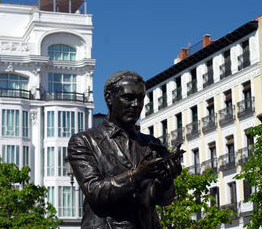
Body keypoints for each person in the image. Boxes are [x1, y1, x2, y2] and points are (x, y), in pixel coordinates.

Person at [67, 71, 183, 228]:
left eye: (140, 98)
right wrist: (138, 175)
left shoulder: (151, 143)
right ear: (109, 98)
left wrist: (166, 180)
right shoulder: (84, 141)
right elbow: (94, 191)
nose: (136, 105)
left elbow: (163, 200)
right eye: (128, 98)